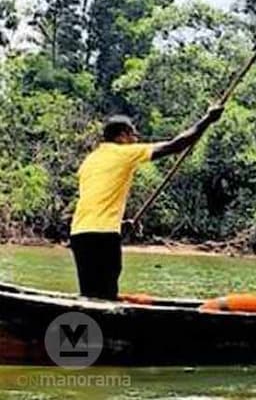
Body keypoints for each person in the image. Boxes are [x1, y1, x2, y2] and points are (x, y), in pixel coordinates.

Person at [70, 107, 224, 300]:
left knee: (90, 294)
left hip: (79, 232)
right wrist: (207, 119)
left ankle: (86, 324)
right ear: (123, 136)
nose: (136, 139)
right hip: (103, 234)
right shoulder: (123, 153)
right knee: (106, 295)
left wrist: (119, 224)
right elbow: (176, 145)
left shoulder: (90, 160)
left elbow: (96, 197)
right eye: (133, 135)